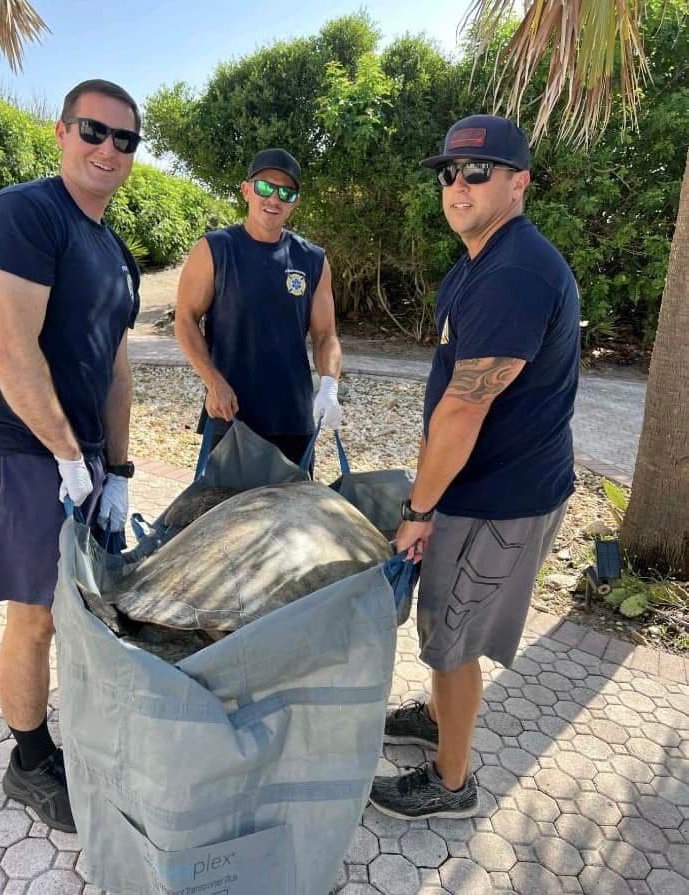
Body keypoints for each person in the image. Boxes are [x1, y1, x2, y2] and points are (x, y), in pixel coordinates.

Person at [369, 115, 580, 819]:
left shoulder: (515, 271)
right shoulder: (481, 261)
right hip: (483, 484)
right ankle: (438, 718)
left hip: (499, 497)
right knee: (445, 628)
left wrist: (418, 512)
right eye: (449, 173)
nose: (457, 185)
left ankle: (451, 783)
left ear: (518, 182)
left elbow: (463, 409)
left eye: (477, 172)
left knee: (449, 636)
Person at [0, 79, 143, 832]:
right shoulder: (24, 214)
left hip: (83, 458)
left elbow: (117, 364)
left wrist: (120, 469)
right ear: (61, 132)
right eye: (94, 131)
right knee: (35, 617)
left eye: (124, 140)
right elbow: (8, 346)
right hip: (24, 451)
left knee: (77, 607)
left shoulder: (110, 243)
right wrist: (68, 460)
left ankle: (65, 735)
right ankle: (28, 762)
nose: (108, 149)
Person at [175, 148, 343, 472]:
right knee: (226, 520)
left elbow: (326, 335)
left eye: (286, 192)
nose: (274, 199)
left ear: (296, 201)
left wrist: (329, 387)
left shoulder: (313, 259)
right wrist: (212, 381)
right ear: (246, 190)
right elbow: (185, 320)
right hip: (231, 415)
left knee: (293, 521)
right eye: (265, 187)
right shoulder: (215, 249)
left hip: (294, 420)